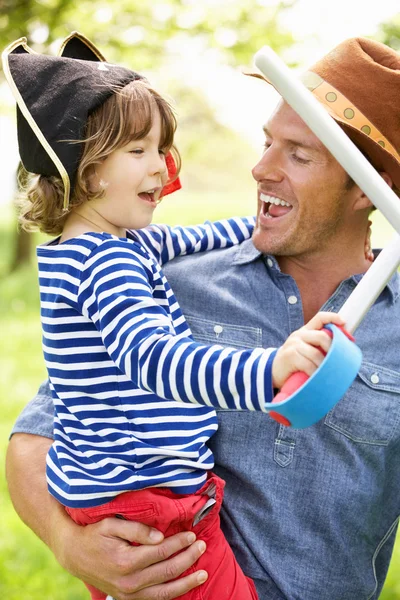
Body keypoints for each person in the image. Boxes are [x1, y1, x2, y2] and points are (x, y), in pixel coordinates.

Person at [6, 35, 400, 600]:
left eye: (298, 153)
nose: (259, 167)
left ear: (370, 190)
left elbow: (208, 231)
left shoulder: (142, 251)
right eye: (267, 142)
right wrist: (70, 544)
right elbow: (36, 436)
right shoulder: (167, 279)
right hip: (181, 556)